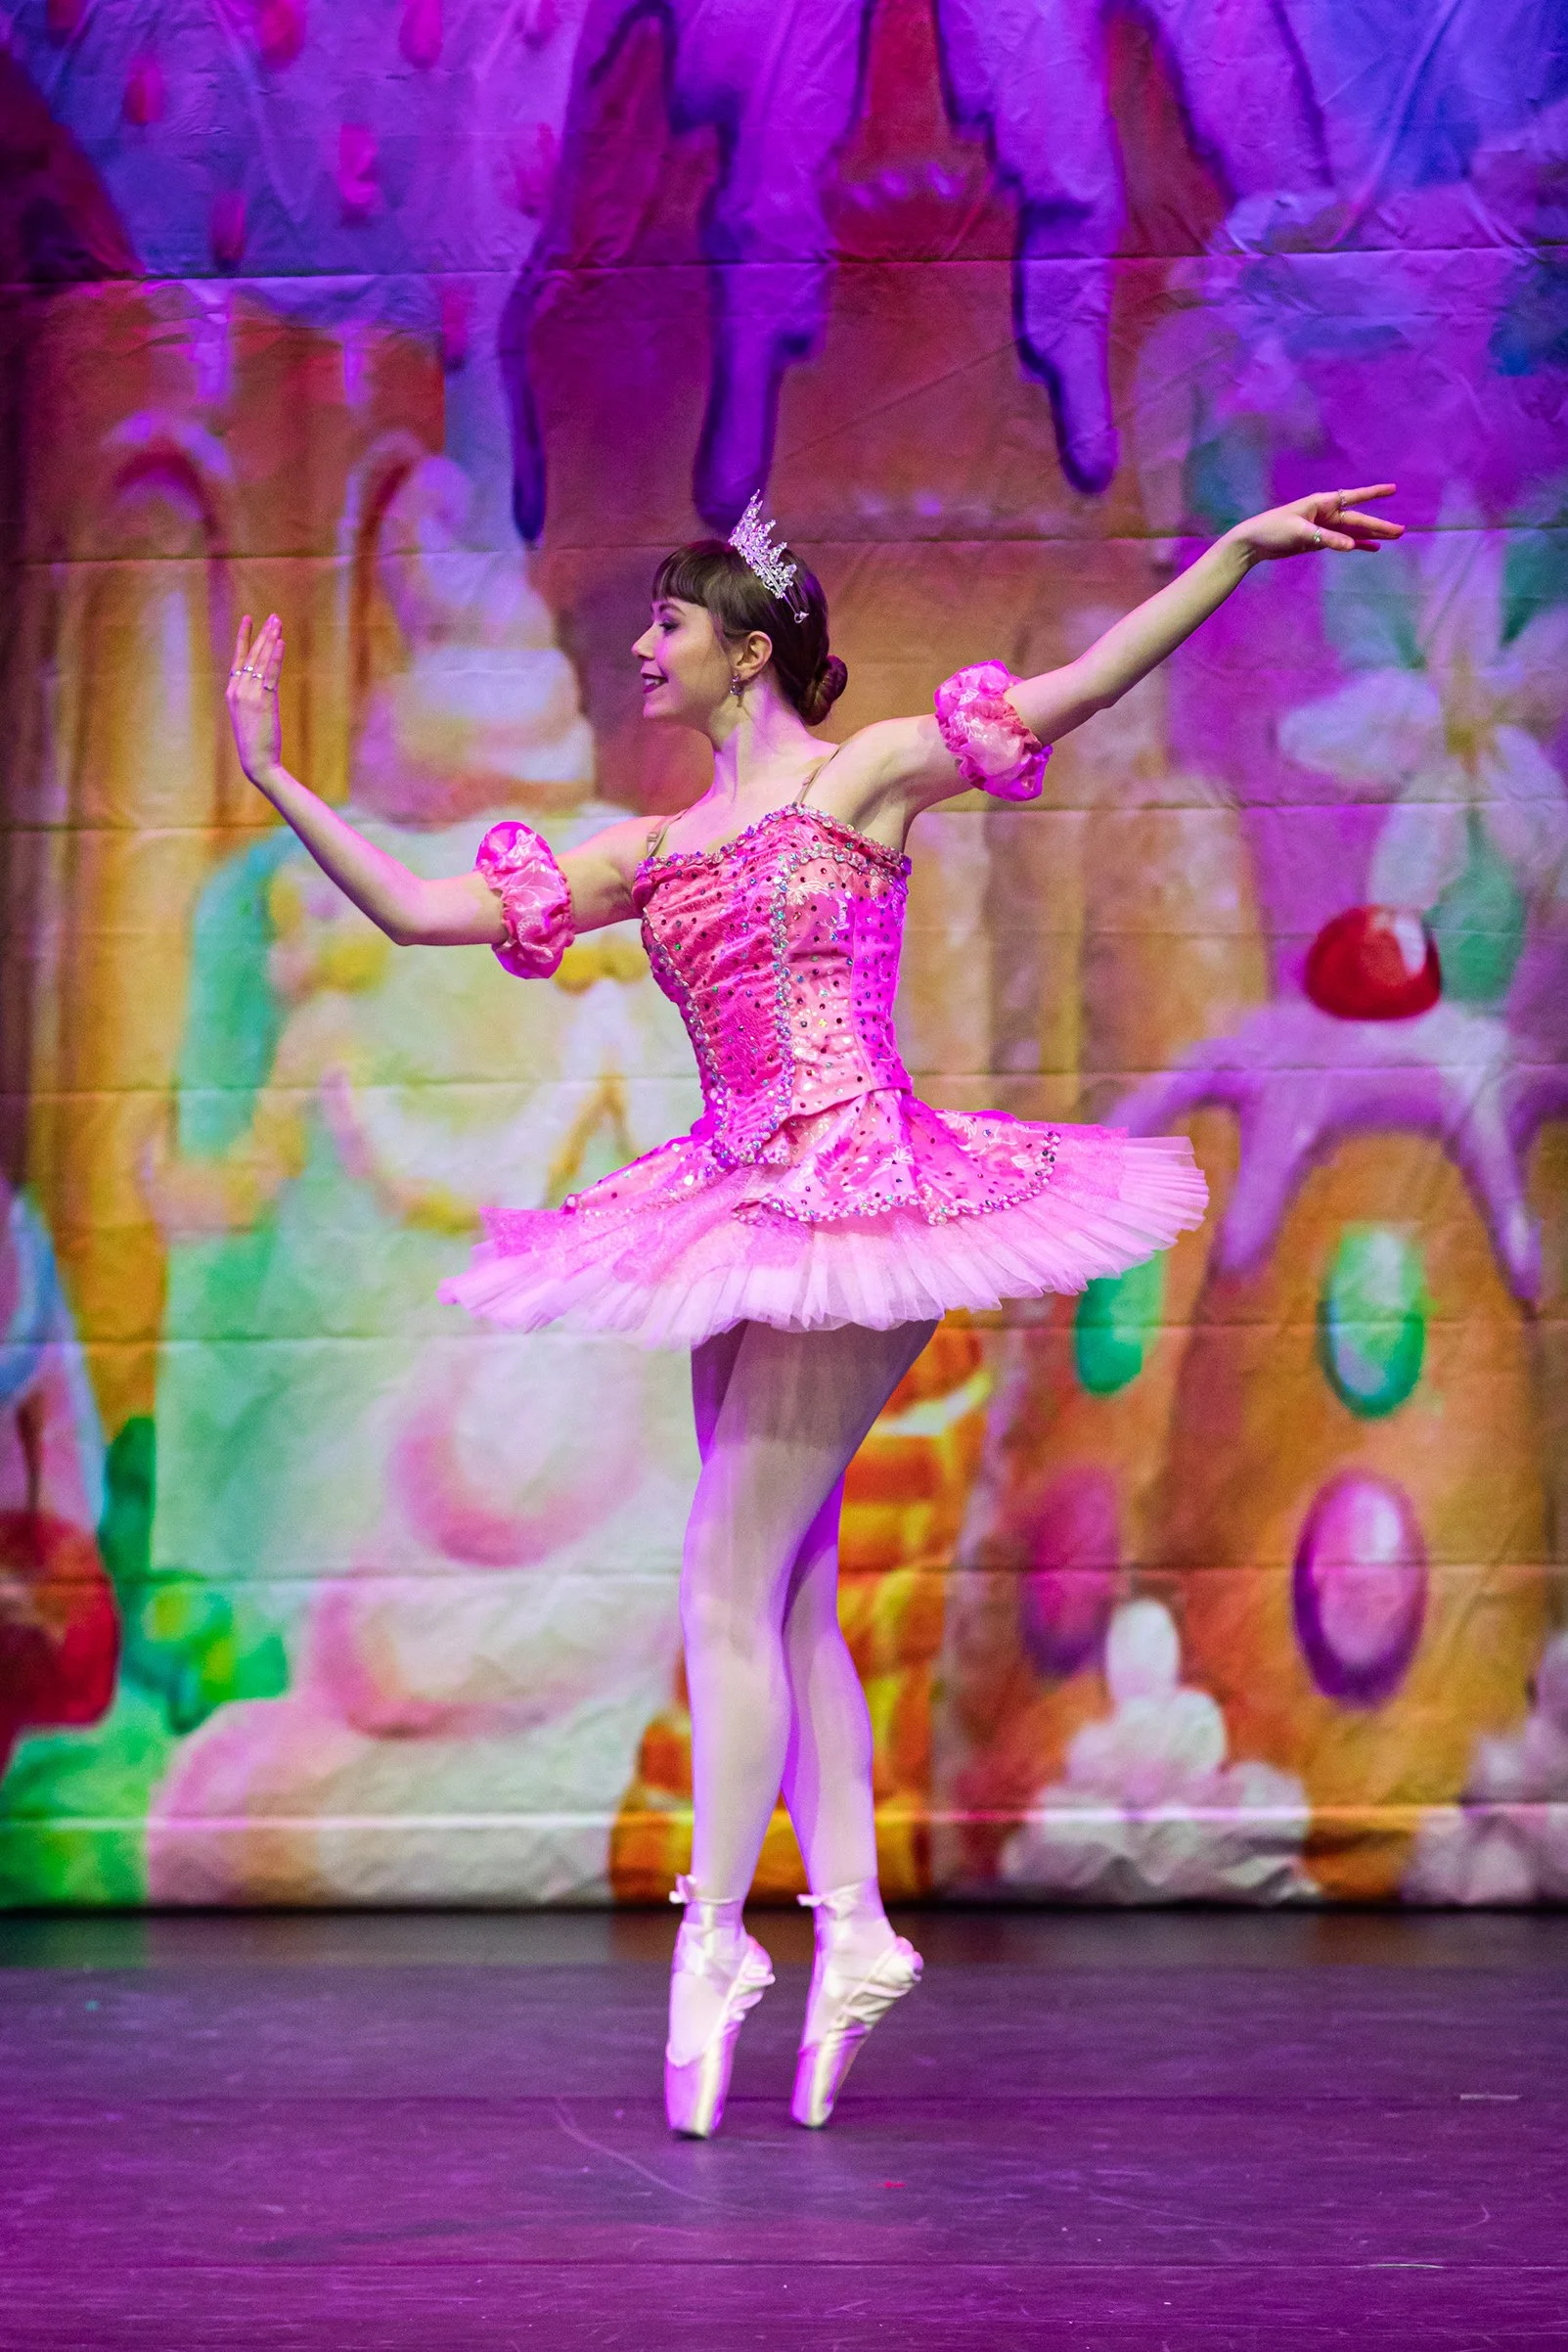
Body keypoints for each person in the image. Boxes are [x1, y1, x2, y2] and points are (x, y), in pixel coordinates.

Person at [224, 480, 1403, 2139]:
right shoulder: (652, 852)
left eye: (668, 624)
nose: (640, 650)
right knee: (777, 1594)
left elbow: (1079, 691)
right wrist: (277, 774)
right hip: (731, 1211)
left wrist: (1231, 552)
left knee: (721, 1575)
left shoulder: (862, 777)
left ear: (748, 647)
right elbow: (422, 911)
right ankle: (847, 1926)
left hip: (863, 1203)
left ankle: (715, 1940)